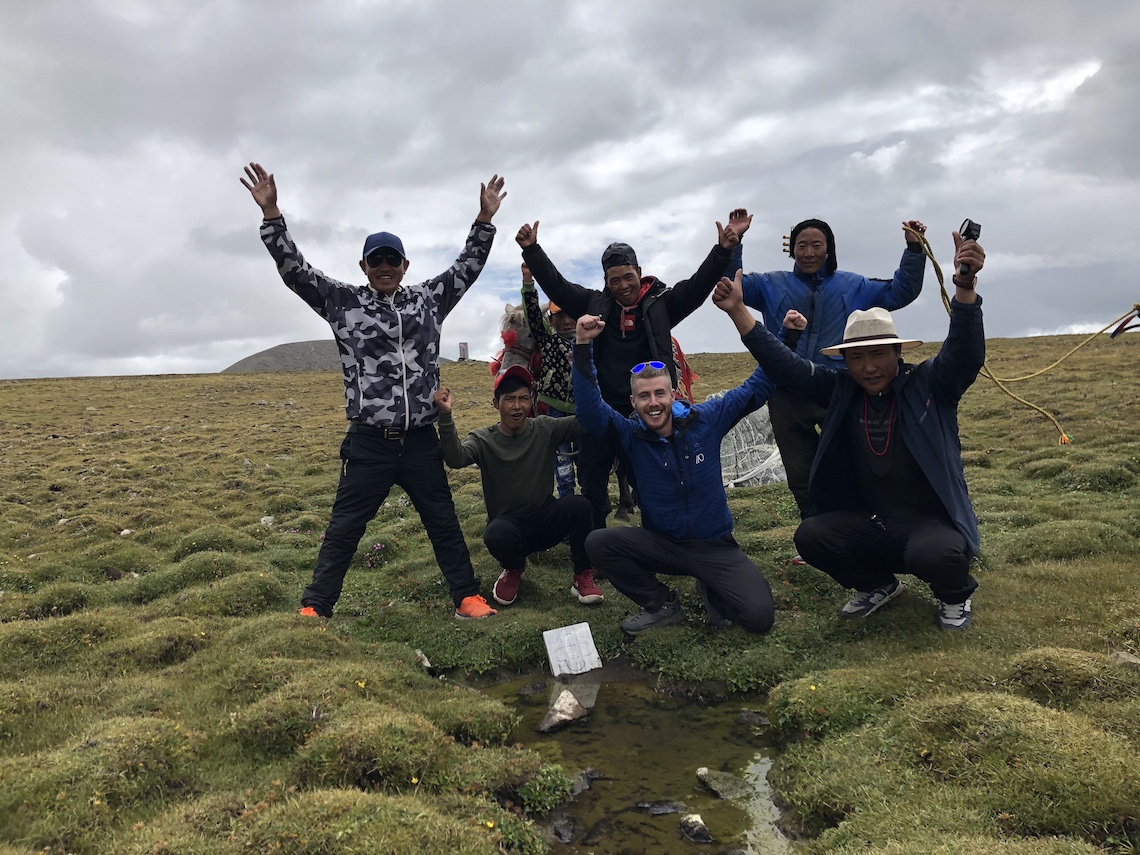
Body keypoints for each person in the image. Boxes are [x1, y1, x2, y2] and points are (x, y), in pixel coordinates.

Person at [239, 162, 506, 620]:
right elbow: (296, 272)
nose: (385, 267)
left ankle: (466, 597)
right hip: (369, 442)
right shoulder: (343, 302)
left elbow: (468, 266)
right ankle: (316, 606)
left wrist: (484, 222)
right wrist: (272, 216)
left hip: (422, 440)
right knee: (344, 526)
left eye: (392, 260)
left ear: (405, 266)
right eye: (376, 260)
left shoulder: (428, 300)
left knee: (442, 521)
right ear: (364, 266)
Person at [714, 230, 987, 631]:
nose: (869, 367)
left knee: (937, 554)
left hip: (931, 524)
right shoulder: (842, 389)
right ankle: (877, 585)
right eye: (857, 358)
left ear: (899, 352)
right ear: (846, 362)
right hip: (873, 525)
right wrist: (740, 313)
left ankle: (954, 597)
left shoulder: (930, 386)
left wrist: (964, 288)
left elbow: (964, 354)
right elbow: (786, 367)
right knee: (813, 535)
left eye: (878, 354)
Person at [517, 219, 741, 531]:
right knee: (592, 481)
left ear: (639, 271)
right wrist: (532, 250)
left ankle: (661, 539)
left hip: (649, 410)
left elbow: (698, 285)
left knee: (651, 479)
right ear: (605, 281)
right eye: (614, 280)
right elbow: (557, 285)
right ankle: (594, 547)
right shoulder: (593, 304)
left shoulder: (662, 304)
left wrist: (724, 250)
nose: (622, 285)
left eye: (628, 277)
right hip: (603, 411)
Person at [572, 313, 777, 636]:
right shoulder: (629, 436)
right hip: (662, 545)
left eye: (659, 394)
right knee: (599, 542)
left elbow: (759, 385)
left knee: (759, 618)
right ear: (633, 401)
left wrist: (788, 338)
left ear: (674, 394)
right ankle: (662, 604)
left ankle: (712, 587)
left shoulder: (707, 419)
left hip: (715, 546)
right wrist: (583, 344)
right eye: (644, 396)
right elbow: (588, 409)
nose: (653, 403)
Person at [724, 210, 928, 526]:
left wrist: (914, 250)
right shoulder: (770, 284)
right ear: (790, 249)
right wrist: (733, 245)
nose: (809, 253)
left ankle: (862, 525)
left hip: (838, 387)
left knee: (852, 459)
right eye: (801, 245)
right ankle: (815, 531)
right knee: (799, 468)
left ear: (829, 248)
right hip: (786, 391)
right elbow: (731, 284)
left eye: (816, 245)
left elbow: (900, 292)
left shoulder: (854, 285)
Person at [435, 365, 603, 607]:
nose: (517, 406)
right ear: (496, 403)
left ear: (531, 401)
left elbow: (586, 422)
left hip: (545, 517)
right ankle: (514, 568)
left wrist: (586, 369)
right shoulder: (483, 439)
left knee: (580, 506)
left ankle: (582, 574)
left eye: (523, 398)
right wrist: (445, 416)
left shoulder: (545, 428)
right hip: (509, 526)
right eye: (509, 399)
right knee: (496, 534)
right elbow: (456, 458)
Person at [521, 263, 579, 498]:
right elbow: (533, 315)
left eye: (570, 314)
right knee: (563, 469)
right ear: (551, 319)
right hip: (553, 412)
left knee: (587, 467)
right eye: (559, 315)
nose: (566, 321)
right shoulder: (547, 339)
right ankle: (567, 507)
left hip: (584, 412)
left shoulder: (592, 341)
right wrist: (528, 282)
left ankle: (590, 516)